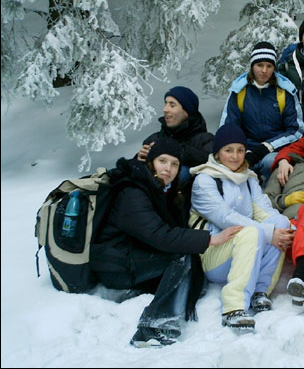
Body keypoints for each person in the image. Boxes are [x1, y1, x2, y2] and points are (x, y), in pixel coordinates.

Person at [90, 138, 240, 348]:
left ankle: (144, 294)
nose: (168, 168)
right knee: (181, 257)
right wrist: (210, 239)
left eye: (174, 164)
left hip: (131, 255)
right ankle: (153, 328)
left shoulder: (162, 189)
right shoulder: (133, 191)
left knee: (190, 265)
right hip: (114, 262)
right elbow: (159, 235)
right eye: (162, 161)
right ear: (151, 162)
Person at [188, 124, 295, 332]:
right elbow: (225, 217)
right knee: (253, 232)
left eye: (240, 150)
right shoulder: (204, 180)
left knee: (280, 223)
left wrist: (287, 229)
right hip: (214, 254)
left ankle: (260, 291)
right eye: (228, 150)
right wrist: (268, 233)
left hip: (246, 249)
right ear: (217, 153)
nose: (235, 156)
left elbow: (264, 212)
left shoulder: (248, 179)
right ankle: (234, 307)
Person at [219, 41, 304, 183]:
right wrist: (242, 150)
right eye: (260, 65)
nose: (264, 70)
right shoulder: (239, 91)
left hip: (275, 149)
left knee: (271, 164)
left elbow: (296, 129)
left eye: (269, 66)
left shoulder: (284, 91)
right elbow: (228, 127)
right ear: (252, 66)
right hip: (245, 149)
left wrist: (268, 146)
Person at [137, 86, 214, 184]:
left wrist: (172, 149)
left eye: (172, 105)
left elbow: (212, 161)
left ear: (187, 112)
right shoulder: (154, 139)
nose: (165, 109)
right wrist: (140, 160)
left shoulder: (205, 140)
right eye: (166, 104)